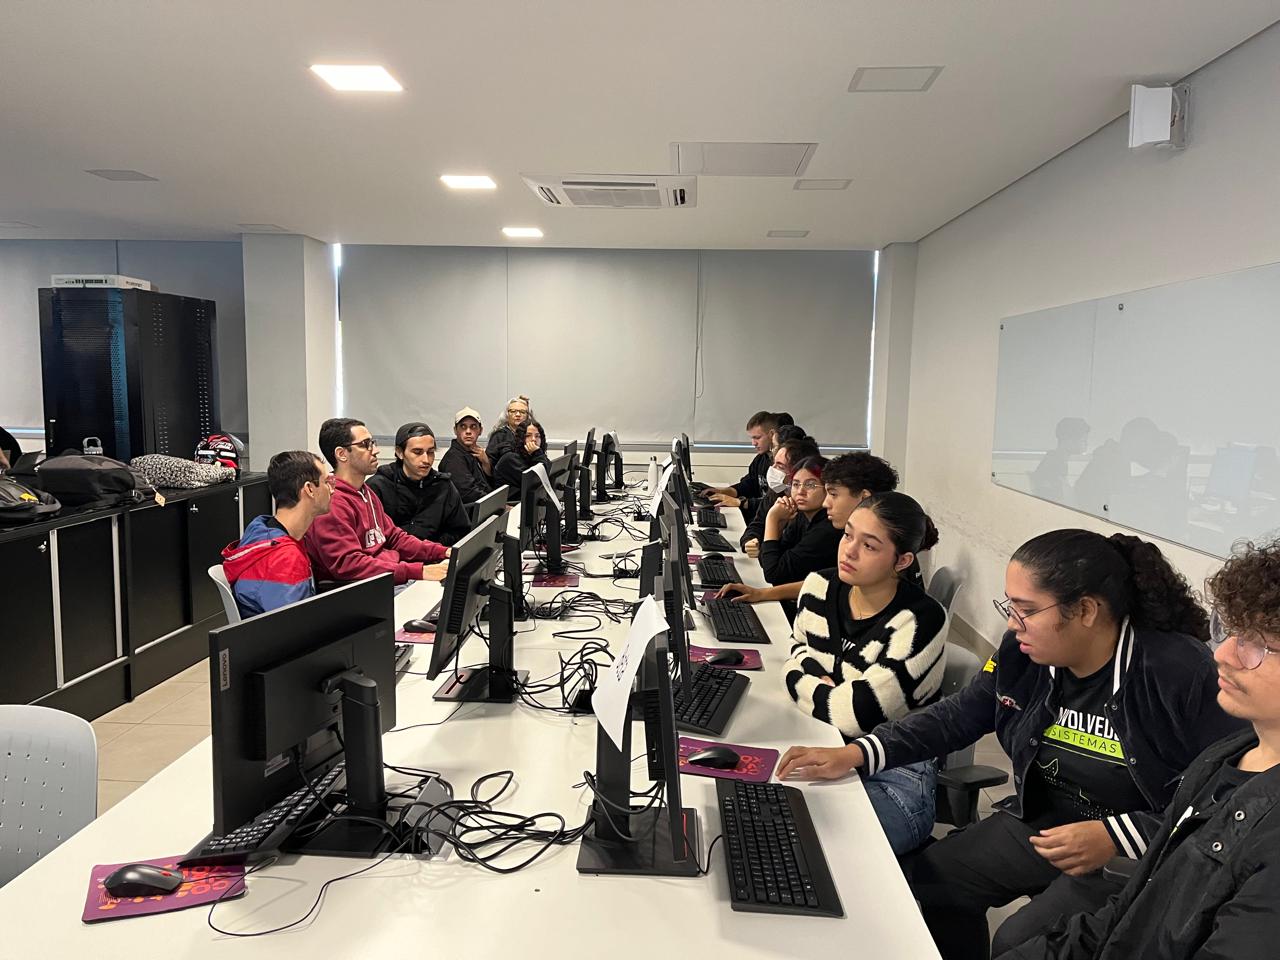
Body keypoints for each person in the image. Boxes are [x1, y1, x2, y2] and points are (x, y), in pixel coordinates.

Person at [778, 529, 1246, 960]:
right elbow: (958, 716)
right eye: (1010, 607)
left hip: (1136, 850)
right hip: (1044, 821)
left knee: (1022, 943)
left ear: (1085, 611)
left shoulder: (1178, 672)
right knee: (935, 878)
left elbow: (1231, 795)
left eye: (1026, 610)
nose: (1013, 624)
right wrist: (859, 752)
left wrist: (1119, 835)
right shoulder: (1025, 655)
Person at [996, 538, 1280, 956]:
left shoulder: (1174, 674)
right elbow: (1137, 909)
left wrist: (1117, 835)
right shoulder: (1225, 759)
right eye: (1231, 631)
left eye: (1257, 645)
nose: (1222, 654)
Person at [784, 491, 946, 854]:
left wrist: (801, 678)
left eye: (869, 546)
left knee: (809, 845)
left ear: (902, 560)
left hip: (896, 771)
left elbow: (854, 717)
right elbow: (794, 651)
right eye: (848, 535)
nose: (849, 551)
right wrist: (820, 682)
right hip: (826, 742)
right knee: (768, 820)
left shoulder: (921, 618)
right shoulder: (818, 586)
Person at [721, 450, 921, 606]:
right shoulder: (854, 533)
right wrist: (762, 593)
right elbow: (829, 580)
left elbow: (778, 573)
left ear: (863, 498)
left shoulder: (874, 544)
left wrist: (773, 521)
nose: (826, 503)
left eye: (833, 494)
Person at [304, 418, 450, 586]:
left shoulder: (366, 492)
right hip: (366, 589)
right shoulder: (331, 503)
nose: (375, 450)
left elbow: (395, 538)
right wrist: (418, 571)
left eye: (372, 443)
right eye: (365, 444)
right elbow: (349, 565)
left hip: (389, 577)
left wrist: (443, 552)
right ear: (342, 454)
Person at [220, 451, 333, 618]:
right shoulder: (285, 559)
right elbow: (294, 625)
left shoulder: (263, 529)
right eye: (326, 482)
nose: (332, 489)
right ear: (309, 489)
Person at [367, 421, 471, 546]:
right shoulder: (378, 487)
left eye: (430, 452)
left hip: (436, 554)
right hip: (395, 556)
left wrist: (433, 548)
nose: (426, 460)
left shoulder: (443, 486)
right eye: (417, 452)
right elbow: (372, 539)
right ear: (400, 453)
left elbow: (460, 530)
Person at [758, 455, 843, 601]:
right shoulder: (802, 516)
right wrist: (779, 525)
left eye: (811, 485)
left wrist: (772, 519)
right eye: (796, 484)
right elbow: (767, 561)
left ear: (828, 489)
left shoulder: (828, 529)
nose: (800, 491)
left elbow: (773, 574)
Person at [740, 431, 819, 555]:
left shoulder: (806, 507)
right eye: (774, 463)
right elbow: (757, 524)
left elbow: (781, 559)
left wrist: (773, 519)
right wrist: (750, 540)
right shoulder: (777, 491)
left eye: (780, 466)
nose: (772, 470)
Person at [707, 411, 779, 516]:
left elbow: (774, 502)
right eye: (752, 438)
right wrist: (721, 492)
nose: (753, 443)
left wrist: (740, 502)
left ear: (771, 434)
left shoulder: (781, 466)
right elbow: (748, 484)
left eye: (757, 438)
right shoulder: (760, 459)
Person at [438, 406, 495, 505]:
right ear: (455, 430)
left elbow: (488, 485)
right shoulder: (453, 459)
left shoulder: (476, 453)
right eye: (463, 427)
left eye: (473, 427)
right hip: (472, 512)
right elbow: (469, 494)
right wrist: (499, 505)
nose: (468, 431)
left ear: (480, 430)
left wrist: (486, 464)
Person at [493, 420, 551, 500]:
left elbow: (550, 473)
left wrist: (538, 454)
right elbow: (538, 482)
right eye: (528, 436)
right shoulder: (510, 459)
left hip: (528, 502)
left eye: (537, 436)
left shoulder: (534, 456)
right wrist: (538, 453)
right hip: (512, 504)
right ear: (521, 438)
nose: (533, 439)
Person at [485, 396, 545, 464]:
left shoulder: (533, 434)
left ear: (528, 415)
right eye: (513, 411)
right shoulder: (499, 435)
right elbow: (488, 464)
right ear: (507, 414)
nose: (518, 414)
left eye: (522, 412)